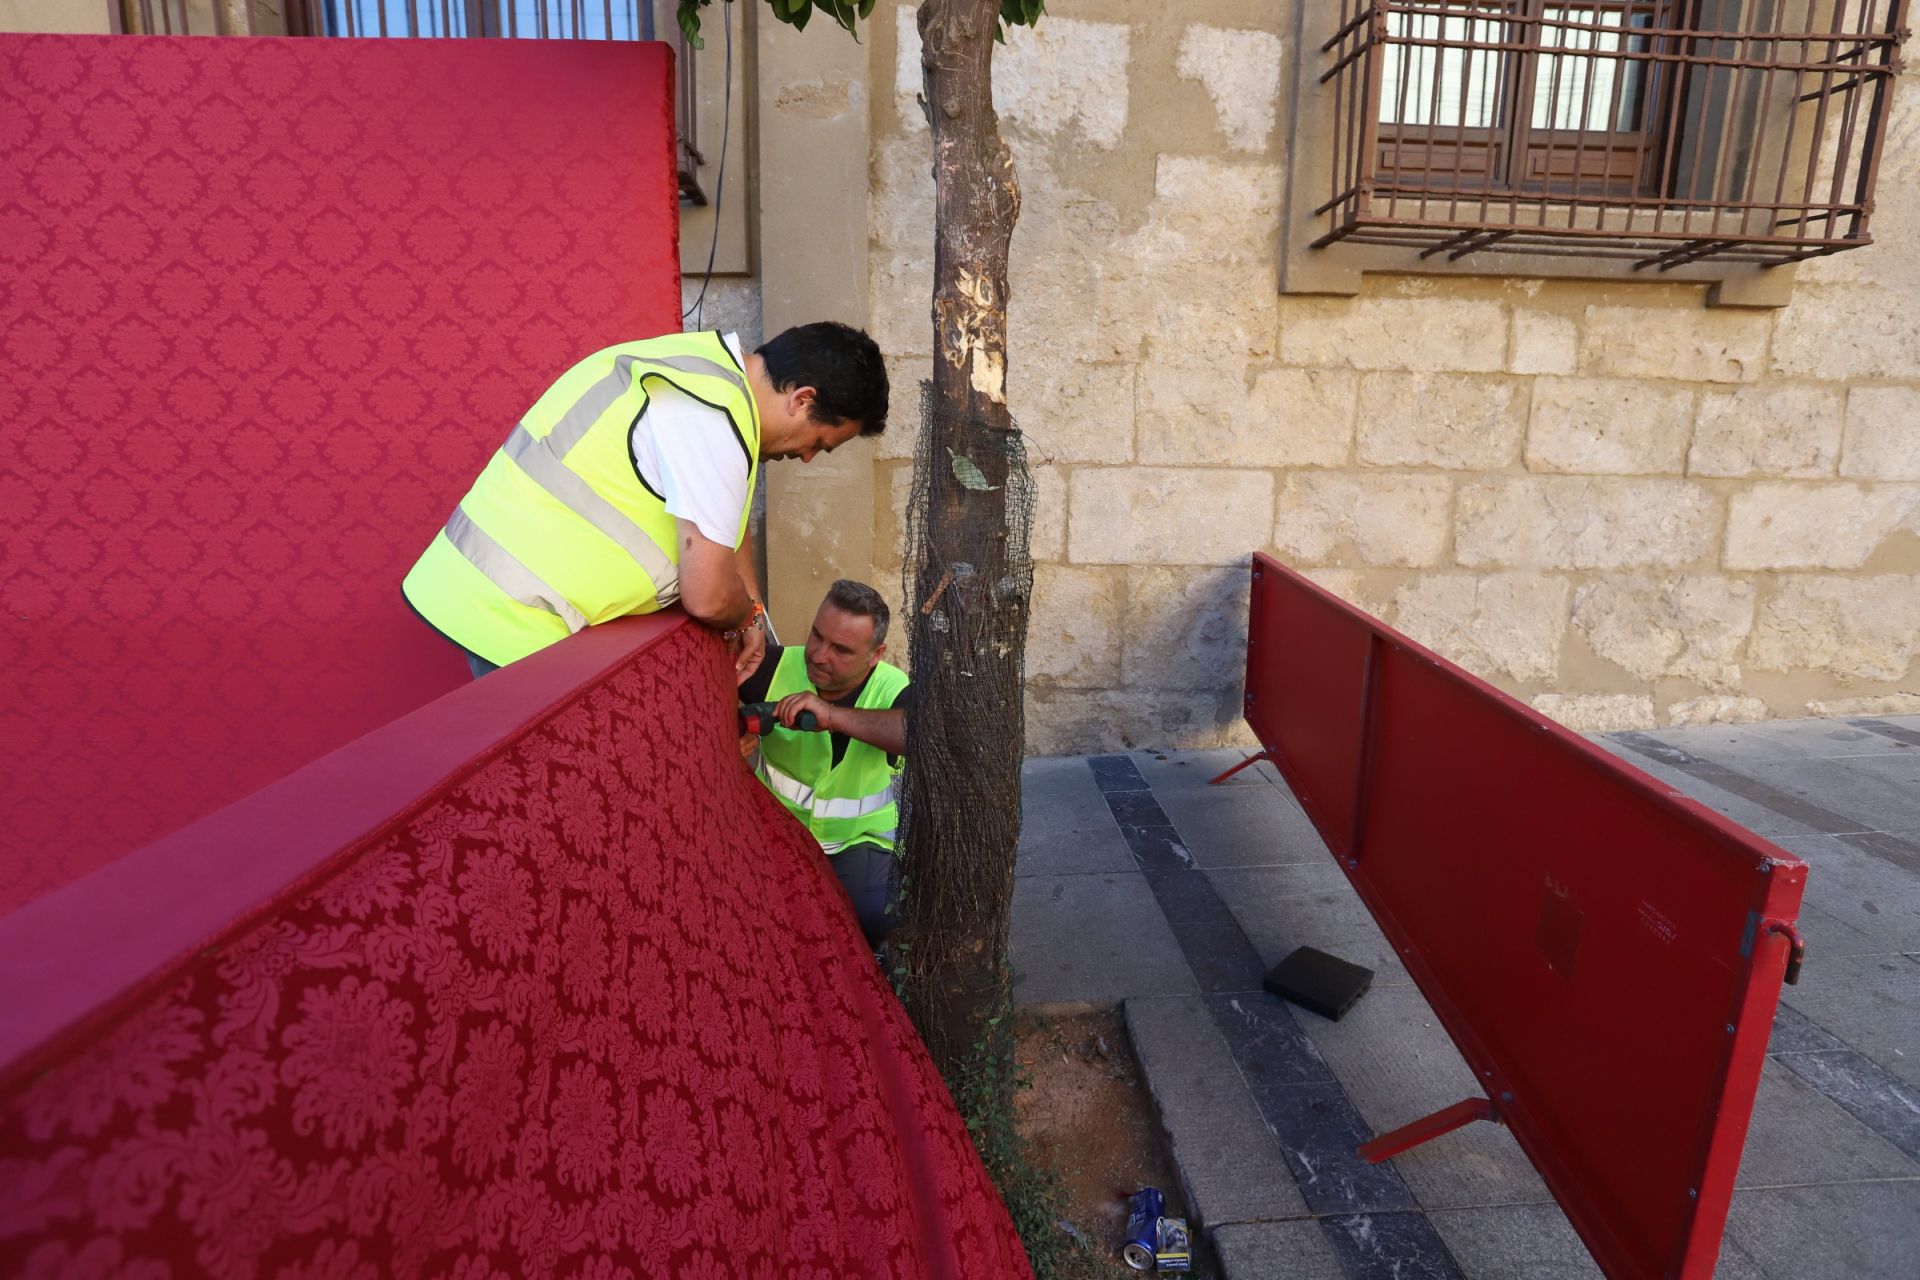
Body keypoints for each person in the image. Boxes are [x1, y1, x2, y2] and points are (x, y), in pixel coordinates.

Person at [402, 323, 888, 679]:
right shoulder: (713, 418)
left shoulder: (706, 373)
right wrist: (744, 616)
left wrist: (755, 607)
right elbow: (710, 595)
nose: (805, 457)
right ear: (803, 400)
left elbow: (721, 524)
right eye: (819, 442)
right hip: (513, 614)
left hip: (481, 588)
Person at [739, 580, 909, 947]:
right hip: (775, 830)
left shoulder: (893, 689)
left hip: (859, 842)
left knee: (870, 919)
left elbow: (917, 734)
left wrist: (831, 716)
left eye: (840, 650)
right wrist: (727, 740)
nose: (818, 654)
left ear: (876, 654)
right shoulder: (770, 667)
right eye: (817, 635)